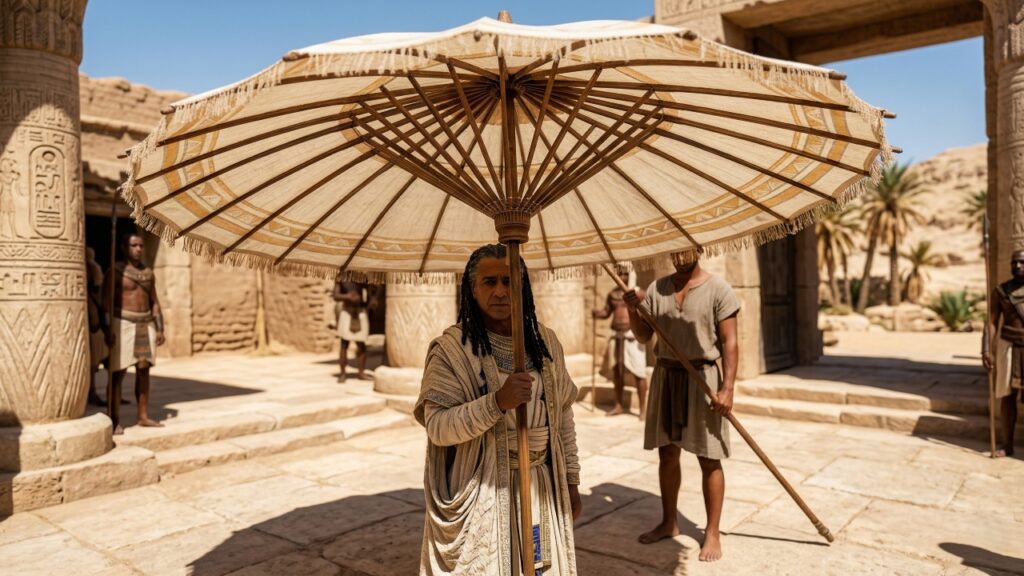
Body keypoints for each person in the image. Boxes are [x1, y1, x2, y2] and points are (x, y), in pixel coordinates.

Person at [415, 244, 582, 575]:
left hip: (542, 486)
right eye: (489, 282)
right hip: (483, 491)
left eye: (509, 281)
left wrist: (572, 482)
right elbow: (438, 426)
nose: (501, 291)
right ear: (473, 289)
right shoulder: (452, 350)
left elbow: (563, 417)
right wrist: (497, 403)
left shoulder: (545, 341)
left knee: (539, 562)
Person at [623, 253, 739, 562]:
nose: (679, 257)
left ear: (697, 248)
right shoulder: (658, 289)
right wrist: (634, 309)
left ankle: (711, 532)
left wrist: (727, 389)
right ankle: (669, 521)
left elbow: (730, 342)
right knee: (668, 452)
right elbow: (644, 335)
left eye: (685, 250)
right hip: (667, 374)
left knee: (709, 457)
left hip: (703, 379)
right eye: (674, 251)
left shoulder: (719, 289)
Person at [102, 232, 165, 435]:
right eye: (133, 245)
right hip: (123, 324)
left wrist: (160, 327)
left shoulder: (148, 273)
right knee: (118, 372)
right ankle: (114, 418)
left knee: (144, 370)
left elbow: (154, 302)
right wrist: (108, 328)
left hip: (145, 325)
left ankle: (143, 416)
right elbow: (106, 303)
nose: (138, 249)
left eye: (141, 245)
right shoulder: (116, 271)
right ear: (124, 248)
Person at [592, 264, 648, 419]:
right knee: (617, 372)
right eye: (619, 274)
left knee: (639, 372)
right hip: (616, 336)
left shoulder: (639, 293)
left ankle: (642, 409)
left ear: (630, 275)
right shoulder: (612, 295)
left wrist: (641, 329)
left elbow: (647, 314)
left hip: (633, 338)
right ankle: (618, 405)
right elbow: (606, 312)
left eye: (624, 274)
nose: (621, 277)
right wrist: (597, 313)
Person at [985, 249, 1024, 458]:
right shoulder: (1001, 291)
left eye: (1021, 262)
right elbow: (991, 323)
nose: (1017, 266)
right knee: (1007, 398)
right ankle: (1007, 445)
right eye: (1014, 263)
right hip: (1008, 345)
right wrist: (986, 349)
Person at [332, 277, 371, 382]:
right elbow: (335, 295)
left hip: (360, 312)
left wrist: (364, 301)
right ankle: (343, 373)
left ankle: (361, 372)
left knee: (361, 344)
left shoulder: (363, 279)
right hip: (347, 312)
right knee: (344, 344)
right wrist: (348, 296)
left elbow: (367, 297)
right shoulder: (342, 278)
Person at [85, 247, 108, 407]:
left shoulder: (92, 267)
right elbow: (98, 289)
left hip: (93, 321)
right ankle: (90, 393)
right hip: (91, 320)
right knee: (91, 361)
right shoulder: (92, 268)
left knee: (94, 361)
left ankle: (91, 392)